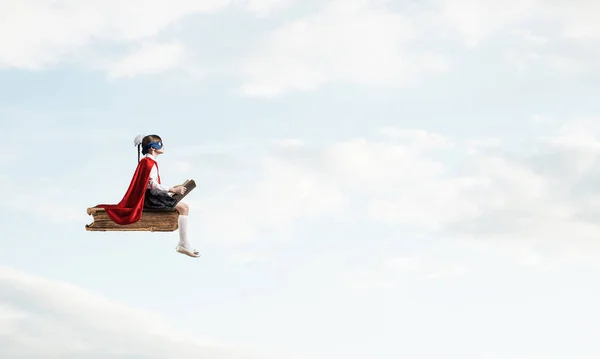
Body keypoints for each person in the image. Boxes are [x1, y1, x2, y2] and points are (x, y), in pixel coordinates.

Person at [96, 134, 200, 258]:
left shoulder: (148, 162)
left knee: (183, 206)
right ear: (152, 148)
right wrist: (172, 189)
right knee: (184, 208)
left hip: (150, 195)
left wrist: (172, 190)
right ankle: (183, 243)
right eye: (160, 144)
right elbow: (153, 185)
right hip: (149, 199)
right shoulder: (148, 163)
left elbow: (151, 184)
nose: (163, 147)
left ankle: (184, 243)